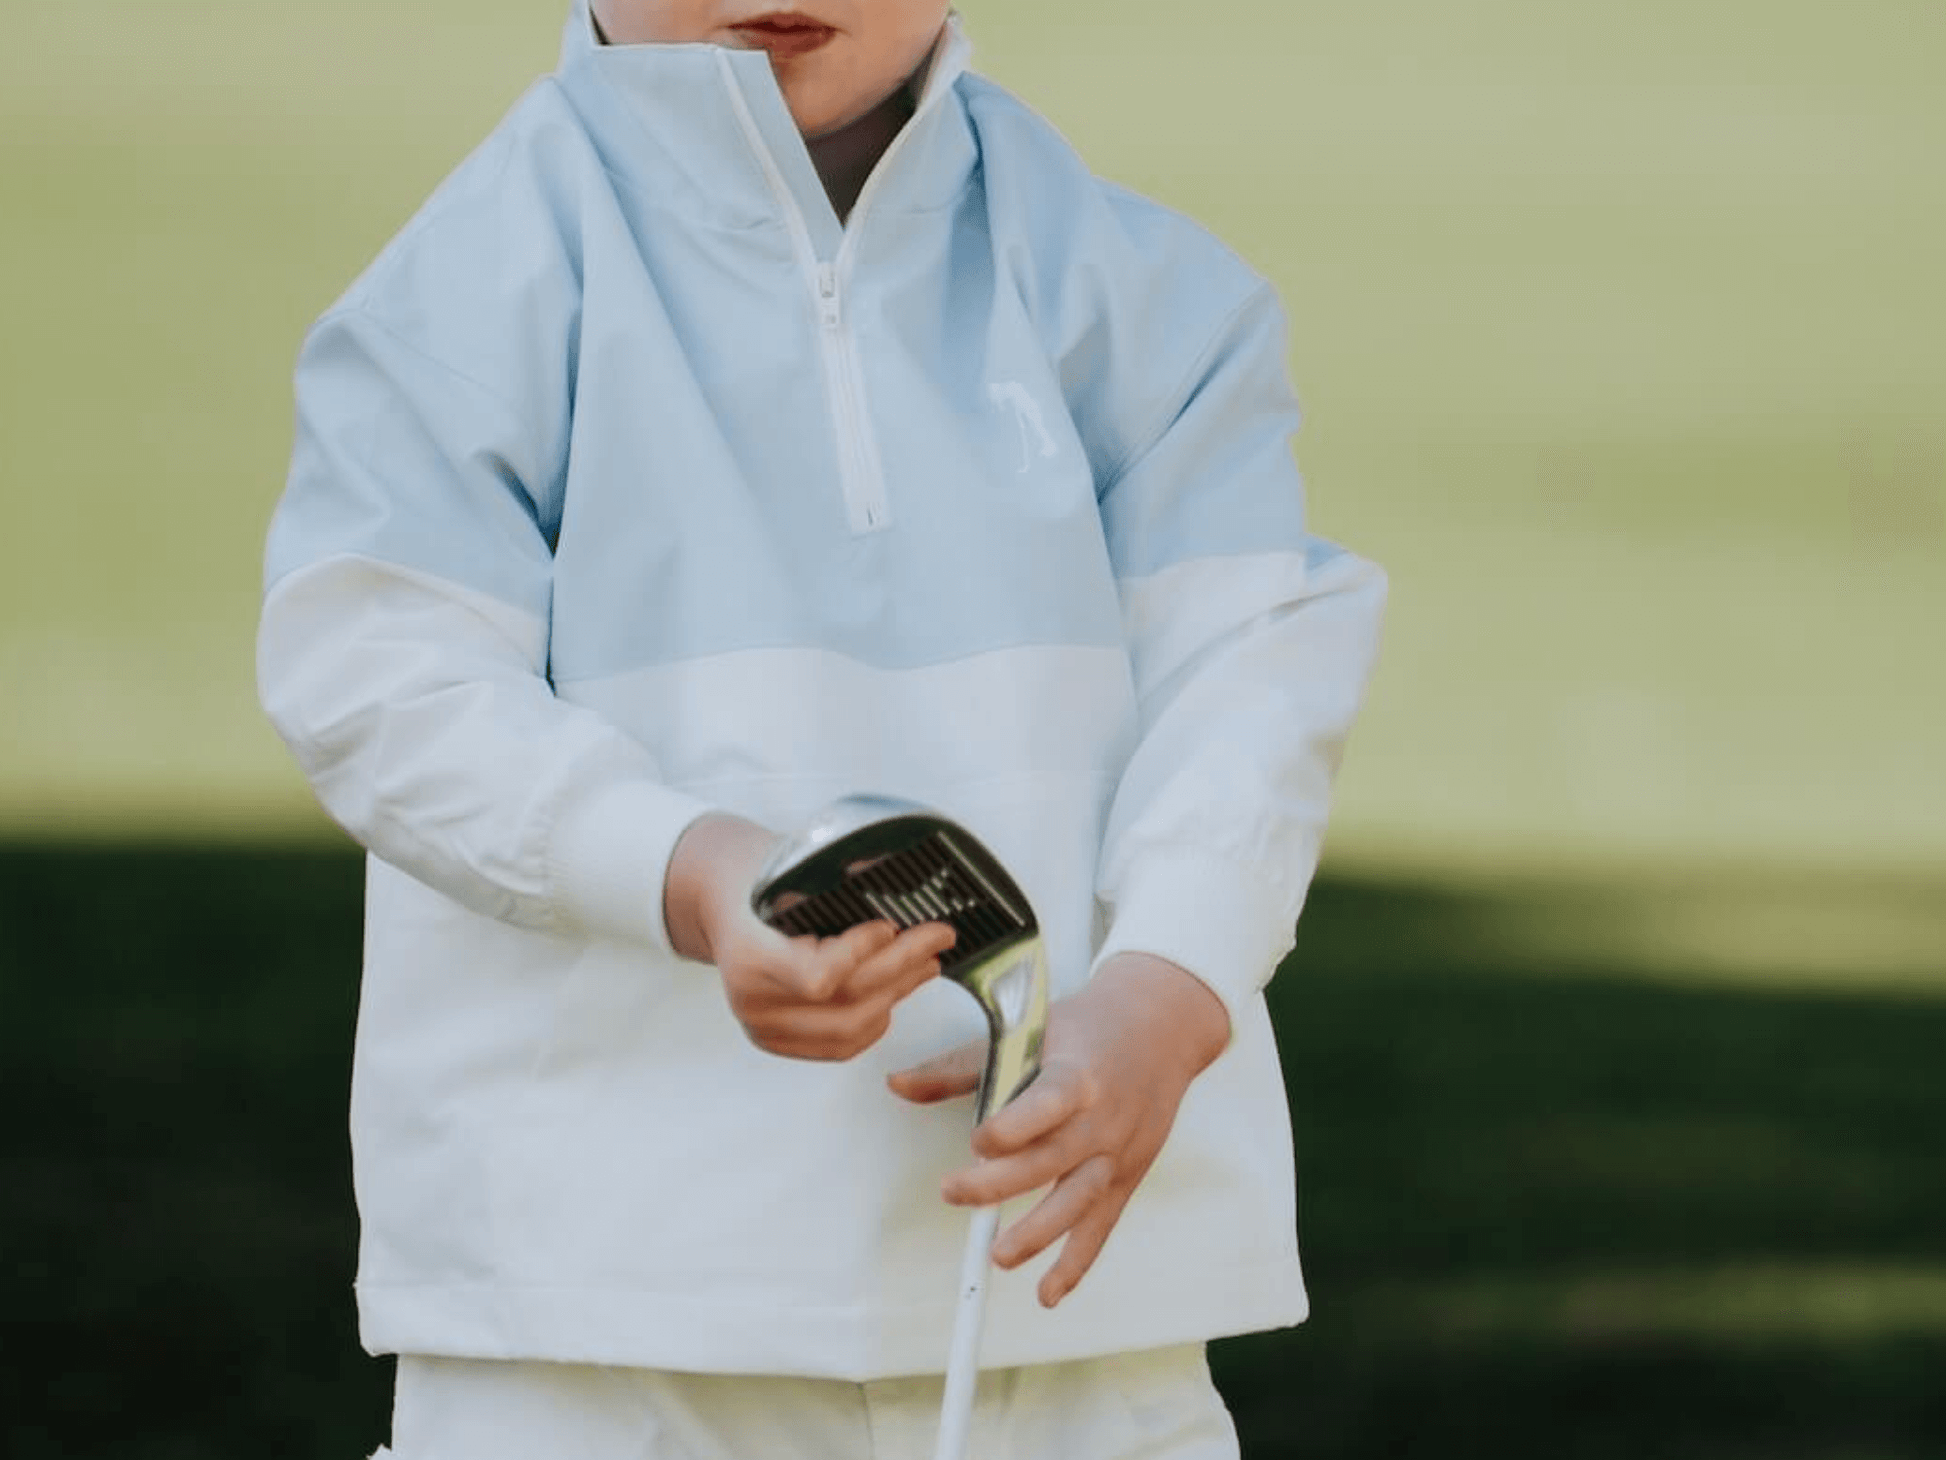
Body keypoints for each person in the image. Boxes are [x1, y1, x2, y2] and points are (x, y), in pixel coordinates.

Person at [257, 1, 1387, 1455]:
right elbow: (380, 677)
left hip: (1064, 1293)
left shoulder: (1149, 299)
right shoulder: (466, 292)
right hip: (598, 1319)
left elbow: (1251, 671)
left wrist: (1170, 988)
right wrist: (689, 869)